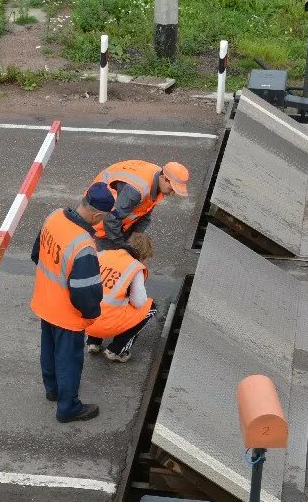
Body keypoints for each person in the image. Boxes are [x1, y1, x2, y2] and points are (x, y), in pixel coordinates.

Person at [30, 183, 114, 423]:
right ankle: (68, 408)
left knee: (49, 348)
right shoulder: (83, 245)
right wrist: (92, 314)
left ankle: (53, 390)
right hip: (67, 314)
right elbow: (85, 293)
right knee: (69, 360)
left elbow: (36, 253)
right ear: (97, 215)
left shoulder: (55, 216)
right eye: (104, 218)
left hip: (45, 301)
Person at [85, 232, 157, 363]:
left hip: (85, 321)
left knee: (97, 299)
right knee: (150, 307)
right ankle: (116, 350)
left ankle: (93, 342)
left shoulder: (103, 254)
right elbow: (139, 302)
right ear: (143, 255)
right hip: (106, 325)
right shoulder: (134, 267)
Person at [90, 160, 190, 248]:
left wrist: (136, 236)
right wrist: (121, 246)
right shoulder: (137, 190)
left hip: (116, 214)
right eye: (171, 189)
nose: (171, 194)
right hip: (101, 217)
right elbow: (111, 220)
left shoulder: (157, 178)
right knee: (111, 261)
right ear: (163, 178)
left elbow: (145, 211)